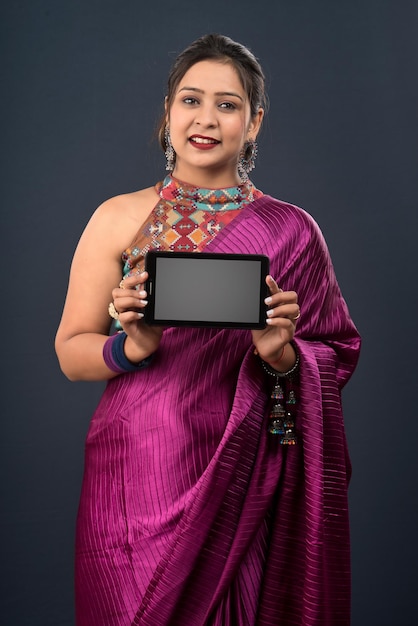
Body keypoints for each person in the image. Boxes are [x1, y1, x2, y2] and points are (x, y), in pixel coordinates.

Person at [55, 33, 361, 626]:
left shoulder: (291, 230)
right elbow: (71, 351)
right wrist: (133, 345)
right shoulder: (118, 217)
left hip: (242, 471)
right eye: (191, 100)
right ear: (168, 110)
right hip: (133, 469)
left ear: (254, 123)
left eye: (228, 105)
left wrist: (282, 357)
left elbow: (337, 349)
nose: (206, 119)